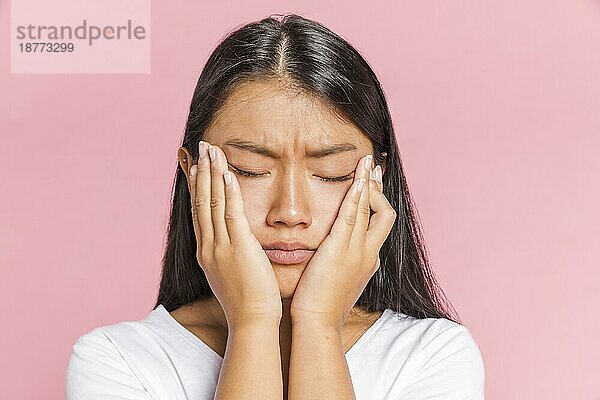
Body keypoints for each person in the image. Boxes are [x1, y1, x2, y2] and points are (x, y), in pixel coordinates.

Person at [66, 13, 485, 400]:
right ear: (193, 173)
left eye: (332, 172)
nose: (289, 211)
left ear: (377, 180)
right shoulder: (116, 361)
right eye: (249, 170)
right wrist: (252, 321)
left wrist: (318, 320)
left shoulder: (432, 356)